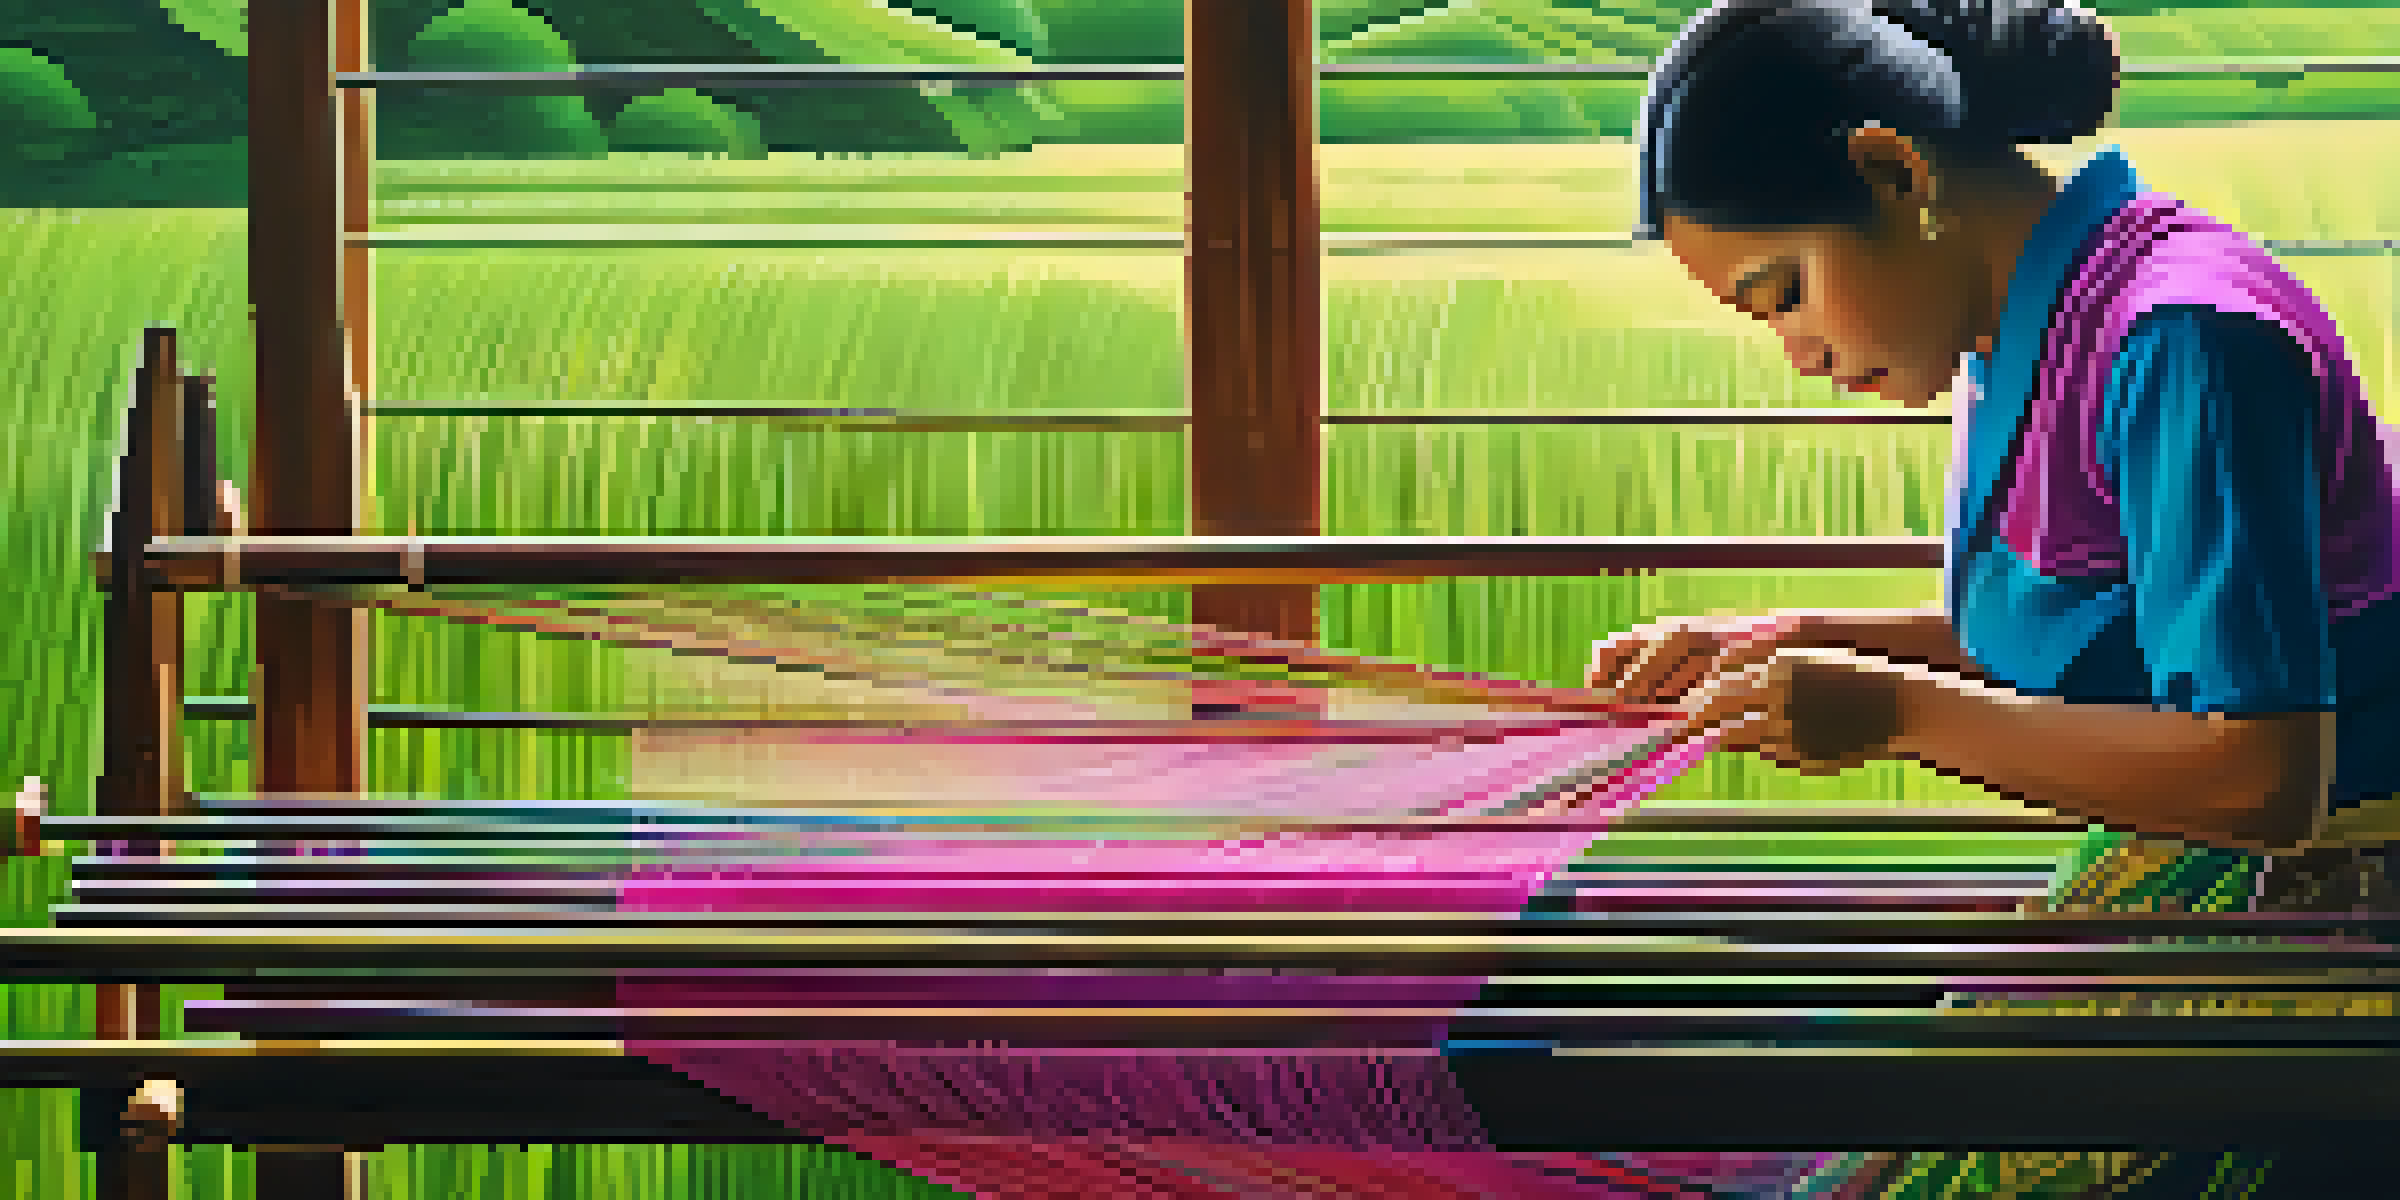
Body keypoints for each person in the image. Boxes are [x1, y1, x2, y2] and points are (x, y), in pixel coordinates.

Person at [1593, 1, 2400, 1194]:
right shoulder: (2023, 329)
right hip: (2228, 876)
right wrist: (1799, 637)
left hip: (2341, 913)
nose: (1800, 356)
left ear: (1893, 171)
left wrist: (1893, 713)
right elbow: (2113, 647)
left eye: (1786, 294)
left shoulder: (2182, 337)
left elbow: (2259, 773)